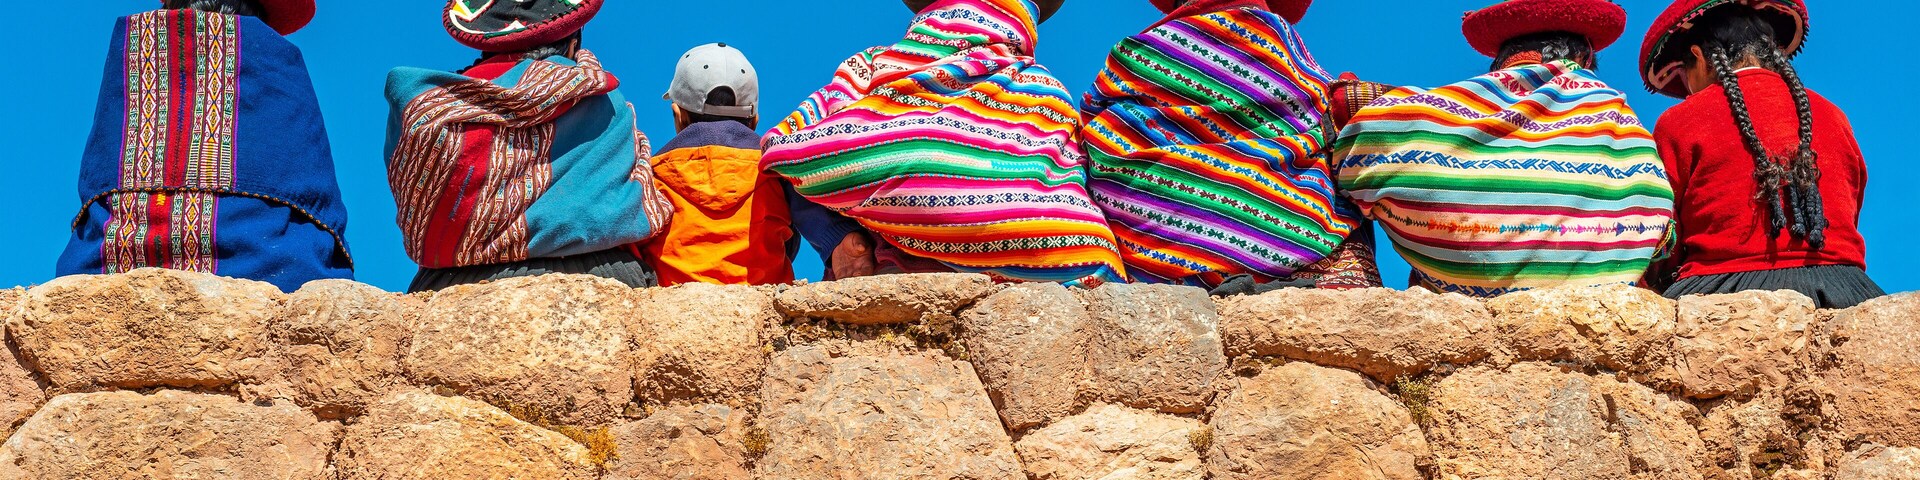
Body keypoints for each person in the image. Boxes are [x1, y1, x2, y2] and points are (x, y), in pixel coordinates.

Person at [762, 0, 1129, 286]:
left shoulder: (871, 67)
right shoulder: (1046, 92)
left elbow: (787, 148)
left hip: (891, 271)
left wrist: (836, 239)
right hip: (1057, 272)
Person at [1333, 0, 1676, 298]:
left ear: (1502, 62)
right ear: (1583, 59)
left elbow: (1358, 127)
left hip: (1460, 304)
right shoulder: (1616, 116)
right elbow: (1661, 231)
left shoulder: (1444, 112)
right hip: (1599, 301)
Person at [1080, 0, 1381, 290]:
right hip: (1312, 261)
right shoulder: (1299, 67)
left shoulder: (1134, 61)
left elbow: (1096, 141)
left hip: (1160, 274)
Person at [58, 0, 353, 293]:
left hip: (107, 270)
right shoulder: (281, 71)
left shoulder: (130, 59)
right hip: (270, 269)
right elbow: (313, 195)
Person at [384, 0, 674, 292]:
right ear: (573, 42)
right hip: (598, 274)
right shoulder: (600, 98)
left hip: (452, 283)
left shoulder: (426, 109)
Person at [1640, 0, 1884, 308]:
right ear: (1773, 53)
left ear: (1698, 58)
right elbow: (1848, 206)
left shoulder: (1679, 121)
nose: (1688, 90)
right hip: (1843, 289)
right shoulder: (1833, 115)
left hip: (1723, 287)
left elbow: (1664, 232)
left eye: (1685, 76)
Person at [644, 43, 796, 286]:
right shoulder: (776, 170)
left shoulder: (650, 175)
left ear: (678, 115)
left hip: (673, 294)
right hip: (760, 291)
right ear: (754, 121)